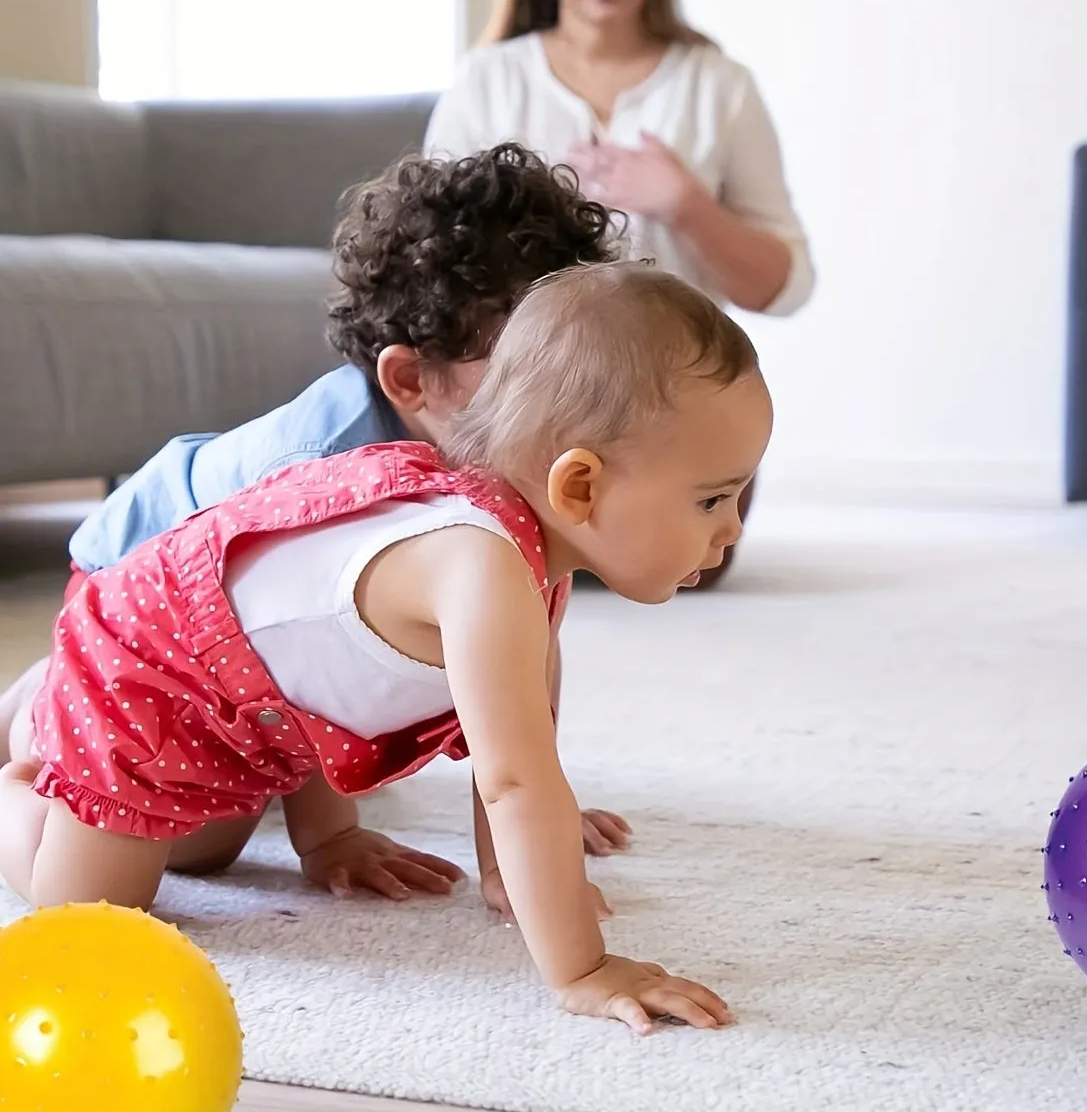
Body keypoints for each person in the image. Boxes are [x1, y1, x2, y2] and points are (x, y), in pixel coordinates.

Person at [0, 264, 767, 1034]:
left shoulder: (536, 568)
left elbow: (352, 676)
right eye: (711, 498)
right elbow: (515, 785)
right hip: (146, 661)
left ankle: (57, 733)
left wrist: (469, 867)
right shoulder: (478, 564)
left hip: (258, 704)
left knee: (203, 853)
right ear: (577, 488)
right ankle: (27, 764)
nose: (733, 528)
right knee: (94, 914)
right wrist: (583, 967)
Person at [0, 146, 633, 875]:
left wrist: (532, 808)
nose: (569, 396)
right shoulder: (329, 479)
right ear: (409, 379)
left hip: (236, 627)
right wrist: (327, 837)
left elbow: (520, 646)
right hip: (134, 603)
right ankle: (37, 717)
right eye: (532, 372)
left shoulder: (498, 461)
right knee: (199, 843)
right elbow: (291, 656)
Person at [425, 0, 813, 585]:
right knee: (496, 556)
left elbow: (784, 285)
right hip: (522, 404)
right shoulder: (488, 82)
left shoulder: (719, 86)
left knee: (682, 561)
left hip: (675, 412)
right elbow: (438, 266)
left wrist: (686, 204)